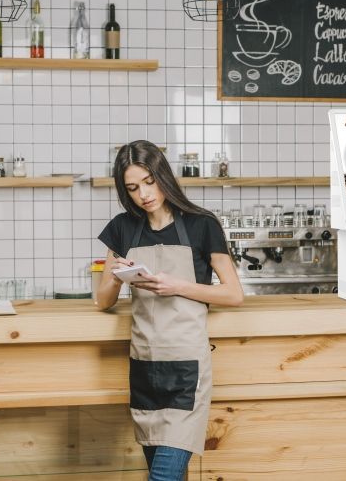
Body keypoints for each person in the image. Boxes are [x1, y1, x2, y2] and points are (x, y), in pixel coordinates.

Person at [96, 140, 243, 480]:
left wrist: (176, 286)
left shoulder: (201, 224)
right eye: (132, 188)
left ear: (163, 175)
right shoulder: (122, 228)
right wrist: (119, 275)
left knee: (163, 477)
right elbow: (103, 301)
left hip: (187, 369)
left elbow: (234, 293)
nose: (143, 194)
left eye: (149, 182)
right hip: (145, 366)